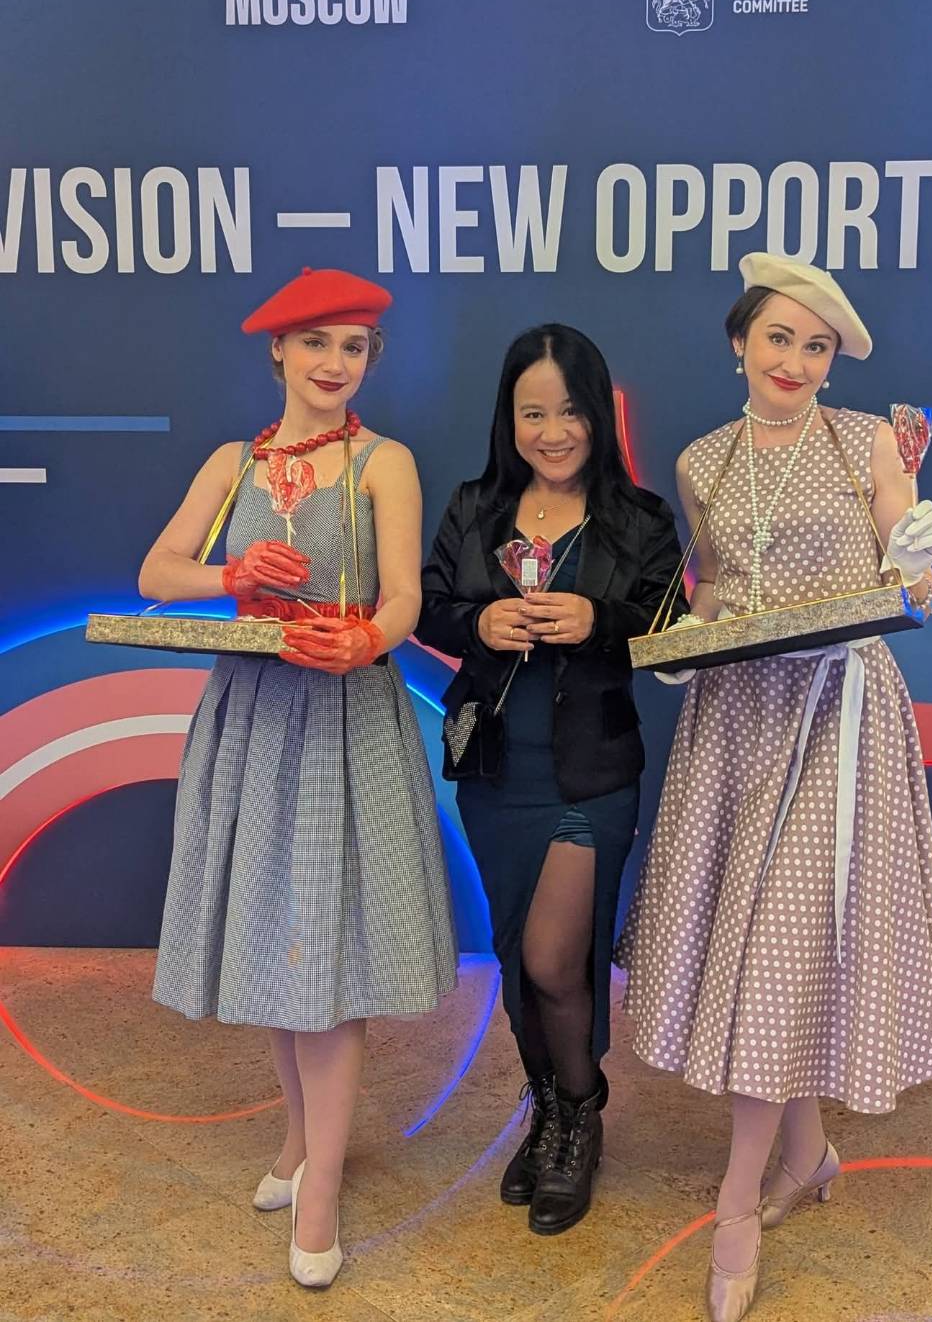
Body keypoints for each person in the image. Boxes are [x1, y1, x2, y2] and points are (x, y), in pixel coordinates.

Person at [618, 254, 932, 1321]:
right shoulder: (701, 461)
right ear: (740, 342)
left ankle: (736, 1202)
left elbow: (914, 588)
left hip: (840, 714)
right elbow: (713, 590)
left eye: (816, 347)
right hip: (739, 720)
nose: (796, 361)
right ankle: (808, 1155)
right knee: (778, 945)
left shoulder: (868, 441)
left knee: (784, 943)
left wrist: (917, 557)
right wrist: (686, 644)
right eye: (780, 338)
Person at [139, 266, 457, 1289]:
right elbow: (156, 573)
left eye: (353, 345)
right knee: (277, 944)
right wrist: (231, 577)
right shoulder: (232, 462)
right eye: (315, 341)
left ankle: (320, 1186)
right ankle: (299, 1139)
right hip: (252, 716)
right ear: (276, 349)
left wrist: (366, 639)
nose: (334, 362)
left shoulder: (384, 462)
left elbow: (404, 597)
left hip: (343, 718)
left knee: (326, 961)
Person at [418, 323, 684, 1236]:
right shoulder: (475, 507)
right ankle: (550, 1113)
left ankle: (582, 1112)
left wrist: (598, 620)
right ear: (510, 419)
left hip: (590, 775)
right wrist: (479, 624)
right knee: (515, 962)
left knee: (552, 958)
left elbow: (669, 626)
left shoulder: (640, 518)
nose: (553, 431)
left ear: (597, 414)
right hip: (494, 771)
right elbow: (431, 607)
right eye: (533, 413)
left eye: (570, 411)